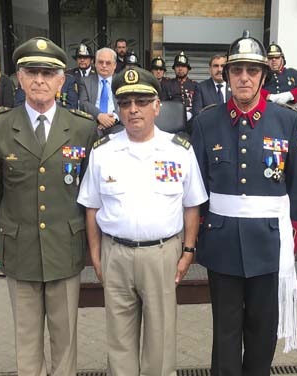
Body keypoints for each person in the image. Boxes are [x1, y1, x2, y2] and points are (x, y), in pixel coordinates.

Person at [0, 37, 98, 376]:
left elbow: (90, 195)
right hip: (19, 247)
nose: (40, 80)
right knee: (26, 339)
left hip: (65, 245)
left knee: (66, 339)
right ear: (19, 77)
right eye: (32, 72)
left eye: (48, 73)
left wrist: (90, 247)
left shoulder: (82, 127)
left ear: (62, 80)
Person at [191, 31, 297, 374]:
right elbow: (196, 188)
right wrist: (195, 236)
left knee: (262, 330)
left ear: (263, 76)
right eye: (237, 70)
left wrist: (294, 238)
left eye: (252, 71)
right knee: (225, 330)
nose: (244, 77)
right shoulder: (205, 122)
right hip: (222, 239)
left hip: (269, 240)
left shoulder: (288, 121)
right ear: (226, 74)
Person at [78, 66, 207, 376]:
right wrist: (95, 255)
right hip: (115, 253)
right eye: (125, 103)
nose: (133, 109)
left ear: (157, 106)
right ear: (118, 109)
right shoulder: (103, 150)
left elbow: (192, 205)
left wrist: (188, 251)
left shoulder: (179, 151)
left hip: (162, 254)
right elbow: (92, 207)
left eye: (141, 101)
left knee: (159, 342)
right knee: (119, 340)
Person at [78, 47, 121, 134]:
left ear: (115, 65)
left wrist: (114, 118)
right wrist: (99, 116)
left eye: (108, 63)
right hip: (93, 123)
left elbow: (126, 102)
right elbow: (83, 103)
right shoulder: (85, 81)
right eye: (101, 62)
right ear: (95, 63)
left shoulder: (121, 81)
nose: (104, 66)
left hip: (117, 124)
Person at [161, 51, 198, 121]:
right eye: (177, 66)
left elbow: (198, 105)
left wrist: (191, 113)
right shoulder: (166, 84)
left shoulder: (195, 85)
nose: (180, 69)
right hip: (172, 119)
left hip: (192, 120)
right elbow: (163, 105)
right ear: (174, 69)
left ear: (188, 69)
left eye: (183, 66)